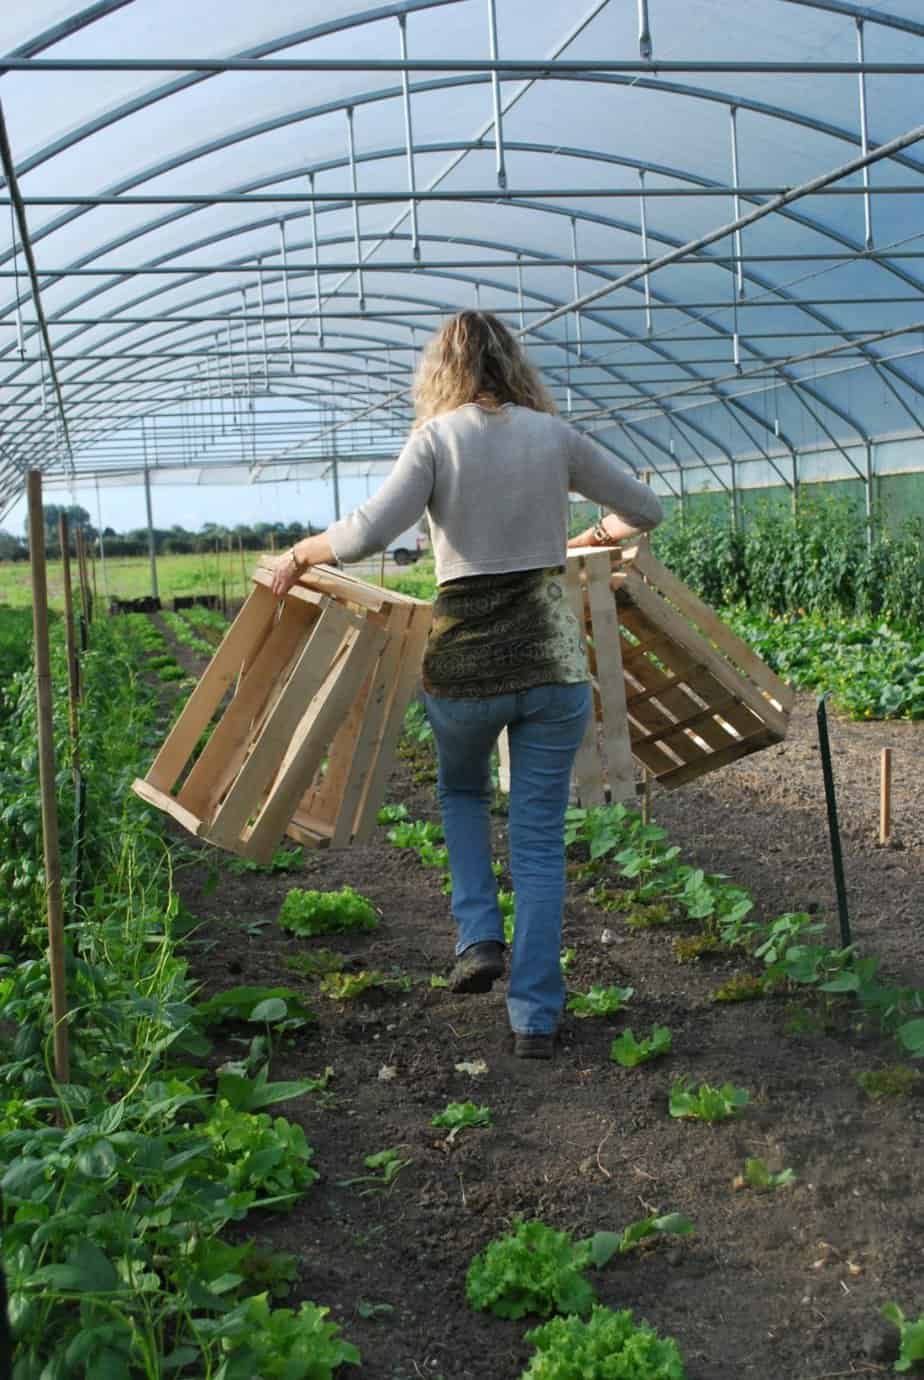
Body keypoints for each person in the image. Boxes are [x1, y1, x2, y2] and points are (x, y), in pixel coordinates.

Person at [271, 310, 662, 1057]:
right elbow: (646, 509)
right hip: (552, 667)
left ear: (443, 370)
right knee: (541, 841)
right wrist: (586, 538)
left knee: (461, 794)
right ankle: (535, 1018)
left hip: (464, 671)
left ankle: (478, 933)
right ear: (511, 363)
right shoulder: (554, 436)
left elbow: (363, 536)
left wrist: (300, 552)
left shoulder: (437, 438)